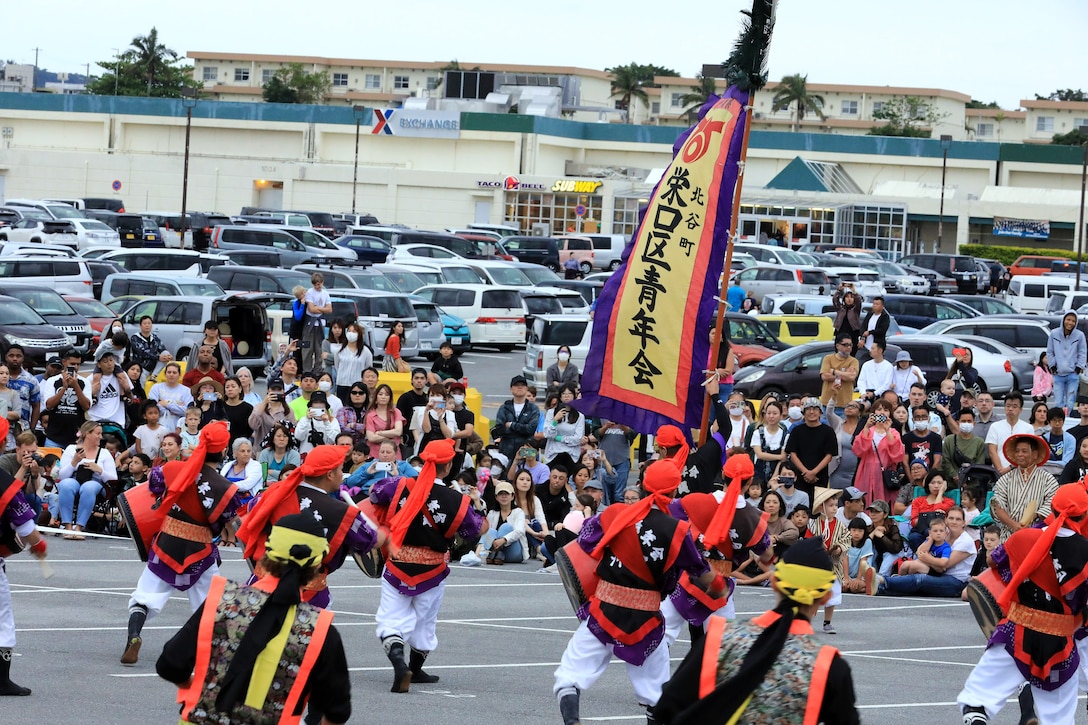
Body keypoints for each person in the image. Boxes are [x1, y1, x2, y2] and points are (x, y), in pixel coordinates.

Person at [552, 459, 722, 725]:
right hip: (645, 620)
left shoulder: (615, 513)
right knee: (656, 693)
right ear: (675, 492)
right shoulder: (677, 530)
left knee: (569, 676)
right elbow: (701, 571)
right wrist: (719, 586)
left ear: (642, 486)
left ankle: (572, 721)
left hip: (603, 613)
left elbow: (585, 541)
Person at [156, 512, 352, 725]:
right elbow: (337, 710)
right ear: (316, 566)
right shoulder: (320, 630)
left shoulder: (222, 600)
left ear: (266, 554)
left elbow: (170, 664)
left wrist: (194, 687)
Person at [653, 536, 859, 725]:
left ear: (775, 583)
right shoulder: (829, 665)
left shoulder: (719, 637)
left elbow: (667, 707)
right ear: (825, 597)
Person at [957, 486, 1088, 725]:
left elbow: (993, 561)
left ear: (1053, 509)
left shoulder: (1024, 537)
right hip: (1060, 644)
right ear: (1084, 515)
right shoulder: (1084, 549)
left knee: (977, 699)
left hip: (1015, 634)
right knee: (1058, 718)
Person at [370, 439, 488, 692]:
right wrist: (478, 507)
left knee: (391, 619)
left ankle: (400, 664)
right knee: (425, 622)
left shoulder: (399, 485)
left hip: (397, 563)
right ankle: (416, 668)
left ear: (424, 461)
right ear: (447, 467)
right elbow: (474, 530)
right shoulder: (457, 500)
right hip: (432, 570)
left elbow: (375, 493)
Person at [122, 421, 242, 665]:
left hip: (166, 544)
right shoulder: (226, 488)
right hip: (199, 551)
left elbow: (153, 486)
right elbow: (225, 521)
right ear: (224, 451)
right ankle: (215, 653)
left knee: (145, 596)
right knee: (211, 602)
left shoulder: (173, 468)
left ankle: (134, 636)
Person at [238, 444, 382, 611]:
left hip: (261, 584)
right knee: (309, 636)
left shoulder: (275, 492)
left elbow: (250, 515)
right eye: (340, 470)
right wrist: (386, 533)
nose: (342, 475)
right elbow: (370, 540)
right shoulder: (341, 512)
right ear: (329, 474)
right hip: (307, 594)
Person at [0, 420, 49, 697]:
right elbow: (26, 526)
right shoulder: (3, 481)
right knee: (2, 620)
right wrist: (38, 544)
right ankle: (1, 680)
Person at [867, 506, 975, 598]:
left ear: (963, 523)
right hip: (936, 573)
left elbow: (944, 566)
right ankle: (877, 588)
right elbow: (919, 551)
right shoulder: (942, 532)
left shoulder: (966, 541)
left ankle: (880, 579)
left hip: (955, 582)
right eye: (951, 518)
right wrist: (931, 540)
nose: (954, 522)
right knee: (914, 581)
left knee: (920, 579)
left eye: (958, 519)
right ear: (946, 520)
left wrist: (926, 558)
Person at [55, 421, 117, 540]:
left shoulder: (104, 453)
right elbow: (62, 476)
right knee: (66, 485)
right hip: (74, 480)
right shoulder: (71, 449)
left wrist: (99, 470)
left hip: (96, 484)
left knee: (88, 487)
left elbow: (114, 479)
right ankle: (68, 527)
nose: (101, 437)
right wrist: (74, 462)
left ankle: (79, 528)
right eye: (98, 433)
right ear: (88, 434)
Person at [991, 434, 1059, 541]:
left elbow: (1051, 505)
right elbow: (998, 506)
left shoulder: (1048, 479)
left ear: (1035, 454)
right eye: (1017, 451)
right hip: (1009, 536)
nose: (1020, 454)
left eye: (1024, 451)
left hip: (1036, 535)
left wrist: (1032, 517)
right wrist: (1014, 525)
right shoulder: (1005, 479)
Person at [807, 488, 850, 633]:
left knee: (832, 594)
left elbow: (847, 540)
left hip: (833, 565)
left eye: (836, 505)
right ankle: (805, 620)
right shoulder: (813, 525)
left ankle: (827, 622)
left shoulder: (841, 526)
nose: (834, 508)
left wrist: (839, 549)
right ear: (821, 507)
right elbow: (808, 540)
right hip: (816, 565)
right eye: (831, 505)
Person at [785, 397, 838, 499]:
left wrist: (814, 472)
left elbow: (829, 455)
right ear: (803, 412)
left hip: (820, 476)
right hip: (800, 477)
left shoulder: (828, 431)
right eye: (808, 409)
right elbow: (792, 453)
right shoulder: (796, 431)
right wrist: (805, 472)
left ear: (820, 412)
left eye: (815, 409)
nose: (811, 412)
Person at [39, 350, 90, 449]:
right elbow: (49, 405)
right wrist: (64, 388)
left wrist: (76, 386)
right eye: (72, 364)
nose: (75, 367)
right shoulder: (52, 380)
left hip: (76, 437)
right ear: (64, 362)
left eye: (78, 364)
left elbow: (86, 406)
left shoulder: (84, 382)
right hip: (54, 436)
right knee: (51, 464)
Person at [343, 439, 417, 498]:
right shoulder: (369, 465)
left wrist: (398, 475)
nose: (385, 455)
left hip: (395, 497)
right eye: (382, 452)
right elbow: (349, 483)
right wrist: (366, 474)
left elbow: (416, 483)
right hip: (367, 495)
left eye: (388, 452)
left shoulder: (404, 465)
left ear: (395, 454)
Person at [1046, 309, 1086, 413]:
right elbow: (1050, 351)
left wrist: (1079, 367)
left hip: (1073, 374)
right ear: (1064, 320)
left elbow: (1082, 352)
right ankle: (1059, 424)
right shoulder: (1054, 334)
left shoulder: (1079, 335)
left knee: (1070, 402)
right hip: (1058, 374)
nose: (1070, 323)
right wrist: (1052, 366)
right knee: (1058, 402)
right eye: (1068, 319)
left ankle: (1068, 423)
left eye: (1073, 321)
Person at [494, 375, 541, 463]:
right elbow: (499, 430)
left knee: (528, 474)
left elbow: (531, 429)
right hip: (506, 450)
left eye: (522, 385)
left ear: (527, 388)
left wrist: (511, 425)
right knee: (506, 475)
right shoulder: (504, 408)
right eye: (516, 385)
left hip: (527, 450)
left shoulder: (533, 409)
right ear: (511, 389)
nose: (519, 387)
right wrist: (522, 429)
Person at [986, 392, 1034, 475]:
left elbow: (1028, 452)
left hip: (1020, 472)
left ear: (1020, 409)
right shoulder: (995, 426)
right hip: (998, 472)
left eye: (1014, 406)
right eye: (1008, 406)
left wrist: (1009, 468)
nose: (1010, 409)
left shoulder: (1028, 428)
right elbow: (992, 451)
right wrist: (1000, 470)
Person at [907, 471, 956, 551]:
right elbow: (913, 521)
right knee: (913, 537)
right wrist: (931, 517)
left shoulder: (949, 502)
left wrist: (940, 493)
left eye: (939, 483)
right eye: (932, 483)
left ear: (944, 485)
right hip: (920, 531)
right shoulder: (918, 501)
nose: (936, 486)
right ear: (928, 485)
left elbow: (937, 507)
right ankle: (924, 558)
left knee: (931, 531)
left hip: (940, 532)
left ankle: (929, 558)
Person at [941, 408, 988, 486]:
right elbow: (945, 461)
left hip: (972, 485)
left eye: (969, 421)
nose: (966, 423)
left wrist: (966, 478)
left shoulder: (979, 442)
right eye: (963, 421)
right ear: (957, 423)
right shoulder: (949, 440)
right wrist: (955, 476)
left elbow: (979, 463)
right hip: (951, 484)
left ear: (974, 423)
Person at [541, 384, 585, 469]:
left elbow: (578, 439)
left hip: (571, 456)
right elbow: (547, 434)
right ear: (560, 397)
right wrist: (555, 421)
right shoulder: (551, 413)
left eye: (569, 394)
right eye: (564, 394)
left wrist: (559, 438)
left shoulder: (580, 416)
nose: (567, 396)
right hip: (553, 454)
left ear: (574, 396)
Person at [88, 353, 132, 429]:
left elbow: (131, 400)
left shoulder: (122, 376)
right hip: (96, 421)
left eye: (111, 360)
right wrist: (92, 392)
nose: (109, 364)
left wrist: (127, 388)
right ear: (99, 364)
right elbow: (85, 404)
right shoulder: (91, 379)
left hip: (117, 421)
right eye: (105, 361)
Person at [149, 362, 193, 433]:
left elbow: (187, 411)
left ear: (179, 375)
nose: (171, 375)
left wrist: (166, 405)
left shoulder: (187, 391)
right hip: (158, 426)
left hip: (179, 429)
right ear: (165, 374)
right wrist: (177, 408)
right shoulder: (156, 388)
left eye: (174, 372)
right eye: (169, 372)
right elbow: (152, 409)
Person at [820, 335, 859, 415]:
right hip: (827, 404)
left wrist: (833, 371)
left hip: (844, 405)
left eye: (850, 345)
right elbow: (824, 376)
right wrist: (845, 375)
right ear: (837, 346)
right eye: (845, 345)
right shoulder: (828, 358)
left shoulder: (853, 361)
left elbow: (852, 377)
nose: (848, 347)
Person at [302, 272, 332, 372]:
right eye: (315, 284)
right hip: (310, 323)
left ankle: (318, 370)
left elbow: (329, 309)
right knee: (308, 349)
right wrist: (322, 308)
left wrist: (318, 308)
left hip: (320, 323)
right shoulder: (310, 292)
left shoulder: (325, 294)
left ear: (322, 282)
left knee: (319, 349)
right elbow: (311, 309)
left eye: (319, 284)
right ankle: (307, 370)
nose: (317, 286)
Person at [366, 384, 405, 458]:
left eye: (387, 395)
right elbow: (371, 438)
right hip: (375, 452)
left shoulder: (396, 412)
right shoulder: (370, 415)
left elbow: (398, 431)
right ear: (376, 397)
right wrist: (390, 437)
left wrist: (380, 433)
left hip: (393, 451)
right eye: (380, 394)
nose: (383, 397)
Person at [902, 404, 944, 472]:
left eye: (924, 416)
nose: (921, 419)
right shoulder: (906, 438)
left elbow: (937, 461)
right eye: (917, 417)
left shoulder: (936, 438)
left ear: (929, 418)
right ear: (913, 419)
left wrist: (928, 479)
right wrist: (911, 480)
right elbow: (905, 463)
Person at [129, 315, 172, 381]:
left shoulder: (154, 337)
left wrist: (168, 357)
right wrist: (158, 357)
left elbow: (162, 348)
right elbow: (142, 352)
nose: (147, 325)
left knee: (166, 353)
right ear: (140, 326)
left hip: (153, 365)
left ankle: (154, 375)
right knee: (142, 378)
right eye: (145, 323)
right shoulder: (135, 338)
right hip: (141, 367)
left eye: (149, 323)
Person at [221, 376, 254, 448]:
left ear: (240, 389)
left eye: (233, 387)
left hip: (242, 445)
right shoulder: (220, 407)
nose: (230, 389)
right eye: (227, 387)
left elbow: (250, 429)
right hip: (223, 444)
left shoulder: (248, 408)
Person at [832, 284, 863, 353]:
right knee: (839, 353)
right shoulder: (841, 309)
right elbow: (835, 300)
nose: (849, 299)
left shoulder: (855, 310)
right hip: (840, 334)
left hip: (852, 334)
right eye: (847, 297)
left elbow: (858, 302)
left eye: (851, 297)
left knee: (851, 353)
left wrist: (854, 291)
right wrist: (839, 290)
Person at [321, 318, 347, 382]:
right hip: (329, 371)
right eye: (335, 328)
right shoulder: (326, 342)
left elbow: (346, 359)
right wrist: (341, 358)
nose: (337, 330)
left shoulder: (347, 343)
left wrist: (329, 356)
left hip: (343, 371)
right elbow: (326, 361)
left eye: (339, 328)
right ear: (331, 329)